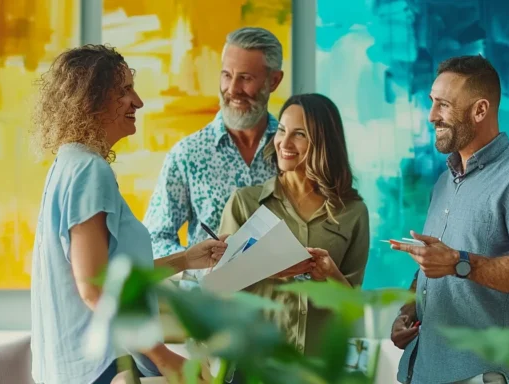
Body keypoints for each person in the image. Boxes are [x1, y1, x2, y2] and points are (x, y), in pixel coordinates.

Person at [28, 44, 227, 384]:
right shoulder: (89, 171)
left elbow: (108, 278)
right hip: (102, 369)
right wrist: (164, 359)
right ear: (91, 99)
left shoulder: (67, 164)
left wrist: (185, 259)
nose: (138, 101)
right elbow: (94, 289)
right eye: (124, 91)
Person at [387, 55, 509, 384]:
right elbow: (434, 267)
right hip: (421, 370)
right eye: (431, 103)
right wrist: (407, 314)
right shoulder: (444, 183)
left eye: (443, 105)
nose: (431, 116)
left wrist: (458, 262)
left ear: (480, 110)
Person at [218, 93, 370, 358]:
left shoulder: (354, 213)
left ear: (323, 142)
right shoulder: (245, 202)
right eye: (282, 130)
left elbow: (352, 308)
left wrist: (331, 274)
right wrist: (266, 265)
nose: (284, 143)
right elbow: (218, 290)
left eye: (299, 134)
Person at [143, 27, 285, 287]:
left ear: (274, 81)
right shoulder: (188, 154)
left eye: (245, 77)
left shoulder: (294, 151)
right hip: (206, 314)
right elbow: (154, 238)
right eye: (226, 75)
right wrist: (194, 268)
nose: (232, 88)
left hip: (280, 315)